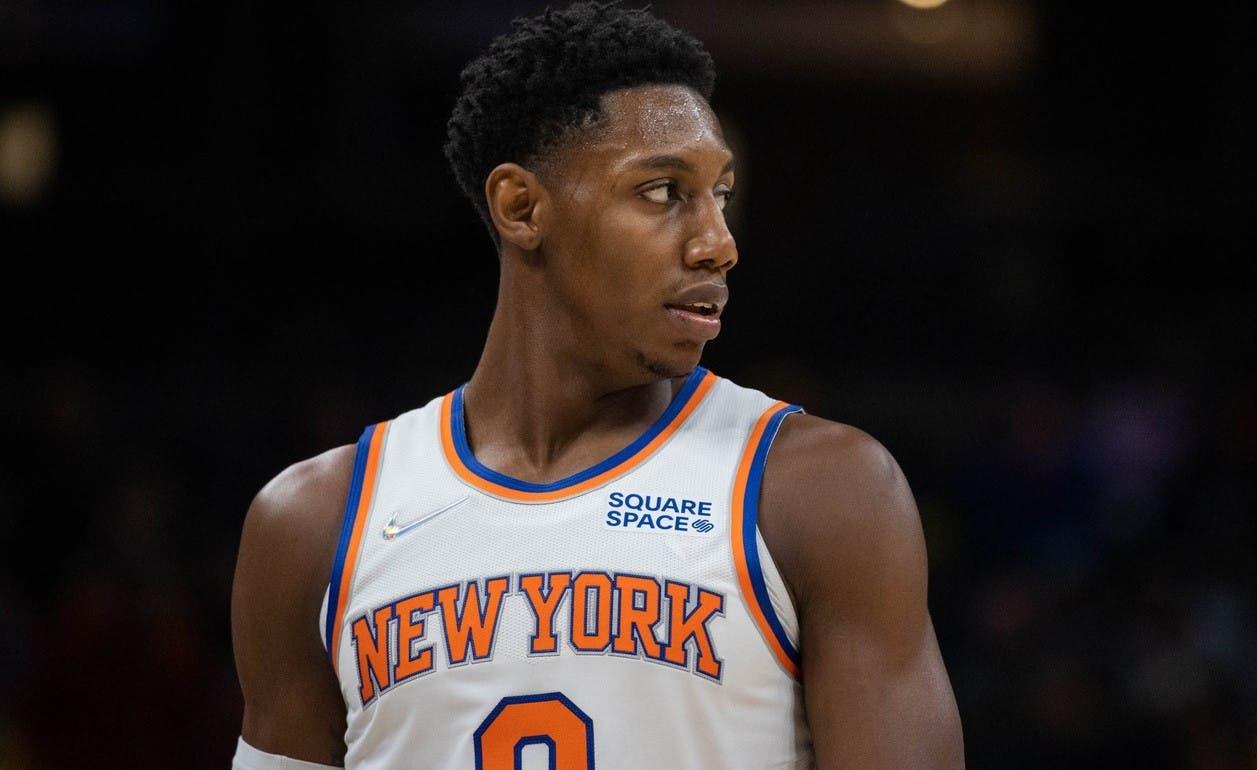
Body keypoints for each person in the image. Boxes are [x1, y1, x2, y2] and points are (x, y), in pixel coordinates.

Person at [230, 2, 964, 768]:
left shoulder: (819, 491)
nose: (719, 243)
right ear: (521, 207)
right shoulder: (314, 523)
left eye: (720, 194)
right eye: (662, 192)